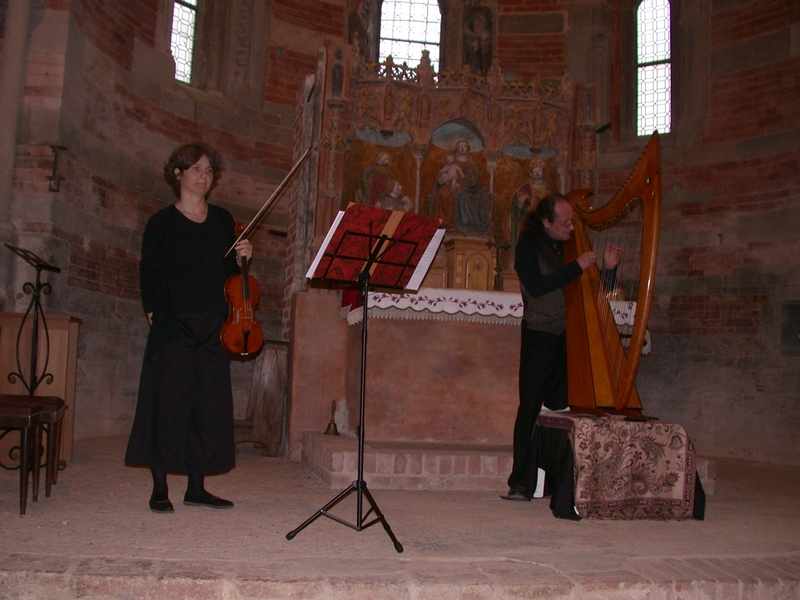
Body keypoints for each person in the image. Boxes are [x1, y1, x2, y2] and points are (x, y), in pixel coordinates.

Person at [125, 142, 253, 514]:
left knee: (206, 407)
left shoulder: (222, 221)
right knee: (167, 405)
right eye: (196, 168)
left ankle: (197, 488)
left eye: (209, 170)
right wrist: (152, 312)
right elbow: (148, 270)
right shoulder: (162, 222)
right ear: (177, 174)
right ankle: (160, 487)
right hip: (173, 324)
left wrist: (245, 260)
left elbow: (233, 281)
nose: (204, 175)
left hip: (213, 324)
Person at [504, 194, 620, 507]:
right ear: (546, 222)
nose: (571, 227)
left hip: (570, 337)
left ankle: (557, 480)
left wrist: (607, 271)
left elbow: (589, 291)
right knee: (530, 408)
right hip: (540, 335)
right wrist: (576, 266)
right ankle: (518, 481)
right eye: (565, 223)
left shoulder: (571, 246)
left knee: (561, 410)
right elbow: (539, 287)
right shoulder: (528, 247)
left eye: (572, 222)